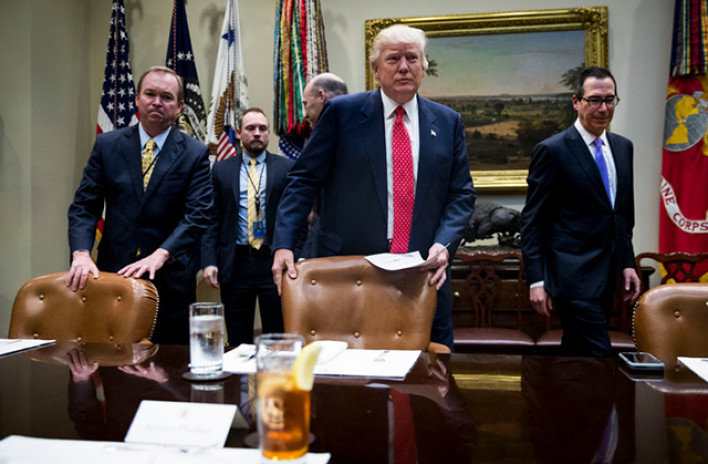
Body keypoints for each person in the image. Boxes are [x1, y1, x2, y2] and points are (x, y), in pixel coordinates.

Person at [271, 24, 476, 350]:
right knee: (347, 377)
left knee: (429, 375)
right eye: (393, 58)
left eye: (412, 58)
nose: (404, 67)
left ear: (424, 66)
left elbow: (461, 193)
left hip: (423, 274)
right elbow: (303, 179)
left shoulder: (448, 122)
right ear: (376, 69)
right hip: (349, 272)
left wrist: (444, 243)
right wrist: (284, 244)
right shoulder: (342, 113)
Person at [66, 65, 211, 345]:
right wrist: (81, 253)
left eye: (166, 97)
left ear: (180, 106)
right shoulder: (107, 145)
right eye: (150, 94)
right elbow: (84, 206)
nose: (157, 102)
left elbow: (197, 215)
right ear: (137, 99)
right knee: (110, 359)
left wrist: (161, 254)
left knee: (169, 366)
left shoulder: (195, 154)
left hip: (169, 280)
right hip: (113, 275)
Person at [520, 66, 641, 357]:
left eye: (609, 100)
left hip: (609, 277)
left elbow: (622, 217)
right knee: (598, 355)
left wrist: (627, 263)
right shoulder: (552, 150)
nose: (603, 108)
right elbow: (533, 222)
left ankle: (563, 389)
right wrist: (536, 280)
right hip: (571, 278)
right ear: (576, 102)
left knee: (578, 356)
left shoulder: (623, 148)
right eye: (595, 100)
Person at [201, 108, 295, 345]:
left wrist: (297, 254)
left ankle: (275, 371)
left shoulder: (286, 168)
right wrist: (209, 260)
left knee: (277, 336)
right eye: (251, 128)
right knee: (238, 339)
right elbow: (212, 219)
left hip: (273, 263)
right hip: (236, 263)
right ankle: (239, 371)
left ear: (269, 133)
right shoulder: (221, 170)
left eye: (262, 128)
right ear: (239, 132)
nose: (257, 133)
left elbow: (297, 218)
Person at [301, 72, 348, 258]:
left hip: (338, 243)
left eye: (306, 104)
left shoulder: (325, 137)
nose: (305, 114)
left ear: (321, 96)